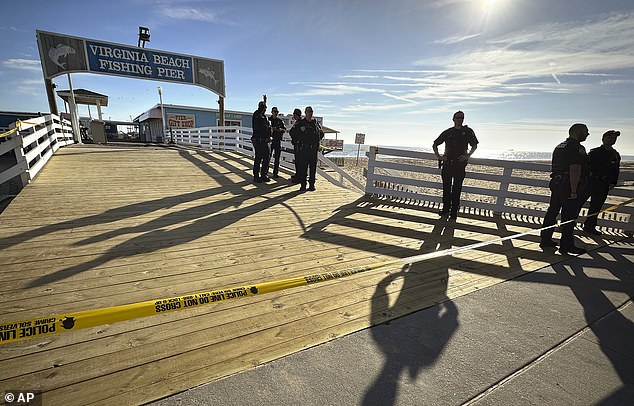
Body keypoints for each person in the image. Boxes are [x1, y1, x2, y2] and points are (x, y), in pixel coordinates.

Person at [540, 123, 590, 255]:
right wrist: (574, 190)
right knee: (569, 215)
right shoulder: (576, 147)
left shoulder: (560, 146)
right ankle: (566, 245)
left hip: (556, 182)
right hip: (568, 184)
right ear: (578, 132)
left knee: (552, 211)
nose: (587, 134)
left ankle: (545, 239)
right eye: (586, 132)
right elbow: (575, 168)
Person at [432, 110, 479, 219]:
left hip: (460, 165)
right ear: (453, 119)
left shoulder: (468, 131)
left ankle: (454, 212)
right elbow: (435, 144)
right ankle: (445, 209)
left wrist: (467, 156)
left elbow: (474, 146)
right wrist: (439, 156)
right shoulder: (448, 132)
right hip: (447, 163)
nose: (460, 120)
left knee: (457, 189)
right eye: (458, 118)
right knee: (446, 188)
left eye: (462, 118)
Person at [582, 130, 621, 235]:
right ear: (603, 138)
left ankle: (589, 226)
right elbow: (585, 167)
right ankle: (567, 225)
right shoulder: (594, 152)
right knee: (577, 203)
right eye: (610, 137)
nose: (612, 140)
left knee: (596, 206)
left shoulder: (615, 155)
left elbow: (616, 170)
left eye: (614, 138)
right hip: (590, 182)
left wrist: (613, 182)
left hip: (603, 184)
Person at [295, 106, 324, 192]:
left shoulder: (315, 123)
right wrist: (301, 132)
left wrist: (317, 140)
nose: (310, 113)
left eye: (311, 112)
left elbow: (321, 133)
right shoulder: (301, 122)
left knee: (313, 168)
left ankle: (312, 185)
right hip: (304, 148)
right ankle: (303, 185)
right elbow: (293, 133)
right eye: (308, 112)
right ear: (305, 112)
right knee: (303, 168)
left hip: (313, 149)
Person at [251, 95, 272, 183]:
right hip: (258, 140)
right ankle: (256, 176)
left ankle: (264, 174)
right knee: (258, 158)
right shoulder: (256, 115)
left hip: (265, 140)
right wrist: (264, 102)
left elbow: (267, 127)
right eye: (264, 108)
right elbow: (260, 122)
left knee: (267, 157)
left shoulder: (264, 117)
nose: (265, 109)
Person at [268, 107, 286, 178]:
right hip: (270, 141)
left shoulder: (280, 121)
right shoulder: (268, 120)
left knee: (277, 158)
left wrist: (279, 129)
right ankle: (265, 172)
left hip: (277, 141)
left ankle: (275, 173)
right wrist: (272, 128)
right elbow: (266, 128)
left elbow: (284, 129)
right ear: (272, 112)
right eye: (275, 111)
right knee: (268, 157)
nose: (276, 113)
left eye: (277, 112)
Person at [288, 108, 302, 184]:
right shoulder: (298, 122)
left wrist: (295, 138)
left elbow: (292, 132)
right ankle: (298, 175)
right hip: (298, 144)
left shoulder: (299, 123)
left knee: (299, 161)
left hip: (299, 145)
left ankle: (299, 177)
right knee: (298, 161)